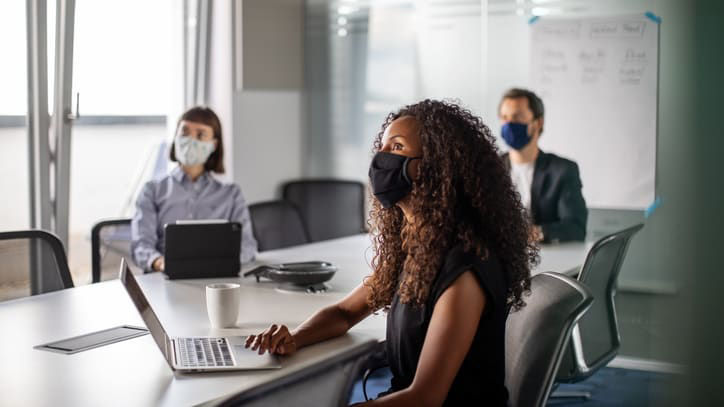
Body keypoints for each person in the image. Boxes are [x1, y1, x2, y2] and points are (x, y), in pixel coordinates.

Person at [245, 100, 537, 406]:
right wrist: (295, 337)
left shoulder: (465, 268)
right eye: (382, 146)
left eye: (396, 147)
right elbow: (345, 313)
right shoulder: (417, 247)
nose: (382, 159)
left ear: (437, 166)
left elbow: (426, 397)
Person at [131, 106, 257, 272]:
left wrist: (214, 262)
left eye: (200, 135)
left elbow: (247, 246)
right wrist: (160, 262)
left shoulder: (231, 194)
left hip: (218, 278)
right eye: (184, 133)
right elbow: (141, 245)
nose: (190, 140)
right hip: (164, 278)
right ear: (175, 137)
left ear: (213, 145)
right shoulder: (152, 191)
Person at [498, 88, 587, 243]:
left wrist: (534, 233)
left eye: (517, 117)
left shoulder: (563, 170)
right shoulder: (490, 168)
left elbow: (576, 227)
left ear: (538, 123)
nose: (509, 124)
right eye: (504, 117)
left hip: (544, 259)